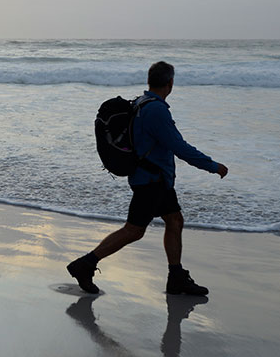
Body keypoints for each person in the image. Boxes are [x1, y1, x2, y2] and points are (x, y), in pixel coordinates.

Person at [67, 61, 228, 296]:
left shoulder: (142, 103)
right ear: (170, 83)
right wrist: (212, 166)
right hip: (151, 181)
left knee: (175, 220)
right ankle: (85, 264)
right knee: (133, 230)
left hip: (155, 179)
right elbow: (179, 147)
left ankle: (176, 277)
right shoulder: (156, 110)